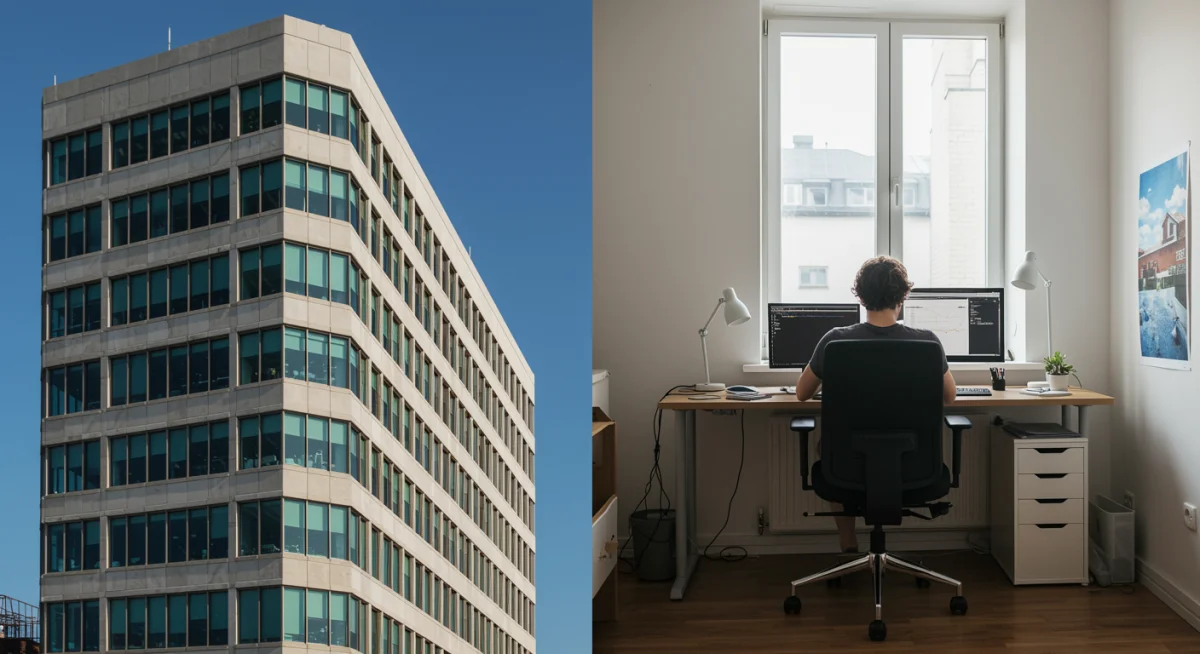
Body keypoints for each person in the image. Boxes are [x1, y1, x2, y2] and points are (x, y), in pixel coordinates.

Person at [793, 256, 956, 552]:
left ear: (860, 295)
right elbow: (951, 396)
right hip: (914, 467)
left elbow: (802, 392)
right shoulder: (927, 343)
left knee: (827, 446)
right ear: (903, 296)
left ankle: (848, 538)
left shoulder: (834, 341)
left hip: (846, 470)